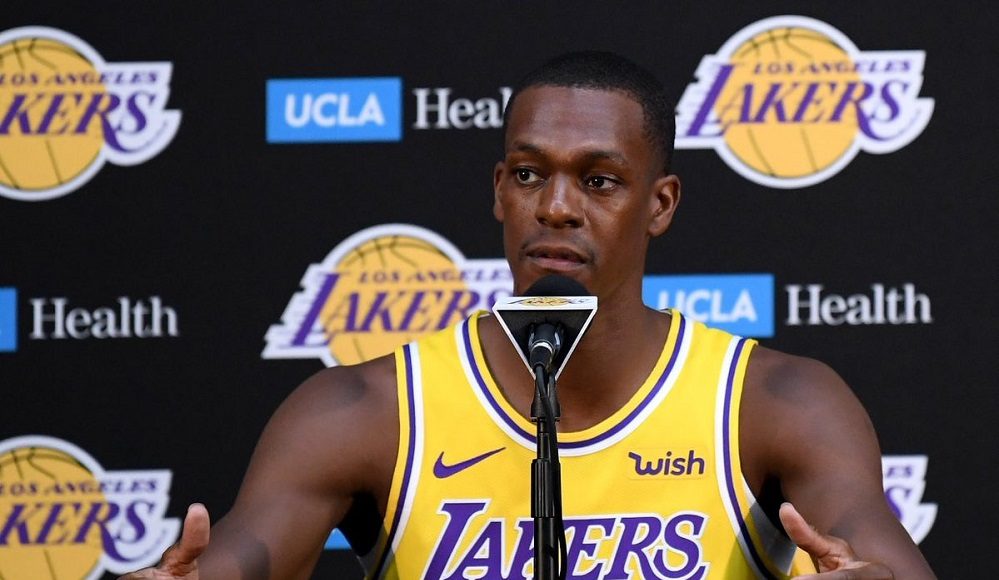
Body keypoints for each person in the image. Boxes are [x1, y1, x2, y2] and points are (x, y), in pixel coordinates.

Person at [123, 52, 936, 579]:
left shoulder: (775, 401)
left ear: (659, 204)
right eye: (527, 174)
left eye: (598, 181)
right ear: (497, 191)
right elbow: (240, 560)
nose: (555, 207)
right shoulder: (369, 410)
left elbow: (880, 557)